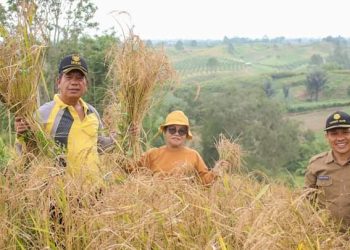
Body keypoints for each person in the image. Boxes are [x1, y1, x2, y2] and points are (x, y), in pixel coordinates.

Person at [15, 54, 114, 181]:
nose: (74, 82)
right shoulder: (44, 113)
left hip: (94, 192)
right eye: (69, 77)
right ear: (58, 82)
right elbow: (24, 151)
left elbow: (98, 145)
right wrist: (22, 133)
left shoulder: (92, 112)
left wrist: (122, 137)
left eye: (79, 78)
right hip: (62, 194)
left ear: (86, 84)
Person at [138, 110, 227, 185]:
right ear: (165, 132)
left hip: (184, 204)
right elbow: (131, 169)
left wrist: (215, 171)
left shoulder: (193, 155)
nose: (177, 134)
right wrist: (132, 137)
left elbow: (204, 181)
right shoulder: (153, 154)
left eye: (181, 131)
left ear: (186, 135)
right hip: (155, 203)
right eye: (172, 130)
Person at [304, 110, 350, 226]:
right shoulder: (316, 165)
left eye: (345, 132)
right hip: (326, 237)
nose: (340, 138)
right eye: (334, 134)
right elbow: (306, 200)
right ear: (327, 137)